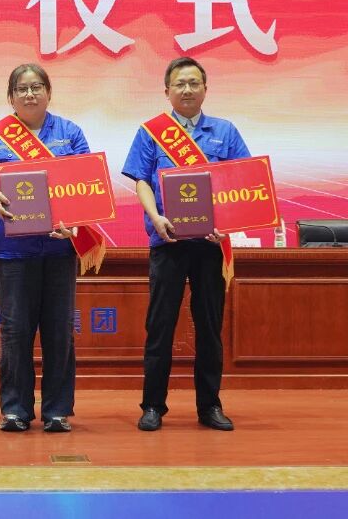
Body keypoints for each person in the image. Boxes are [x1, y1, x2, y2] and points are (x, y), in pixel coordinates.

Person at [122, 57, 249, 433]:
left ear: (205, 89)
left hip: (210, 245)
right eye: (180, 83)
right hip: (167, 241)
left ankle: (209, 405)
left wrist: (226, 223)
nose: (188, 89)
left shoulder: (225, 131)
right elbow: (141, 180)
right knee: (160, 325)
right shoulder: (151, 132)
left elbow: (242, 181)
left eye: (194, 83)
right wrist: (155, 217)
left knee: (209, 327)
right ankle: (152, 406)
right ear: (167, 91)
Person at [0, 64, 89, 433]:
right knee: (15, 332)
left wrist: (76, 221)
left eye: (36, 87)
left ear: (49, 92)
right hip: (13, 250)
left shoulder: (70, 133)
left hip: (59, 249)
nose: (30, 94)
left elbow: (87, 182)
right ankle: (15, 409)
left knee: (59, 331)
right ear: (11, 96)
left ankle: (57, 411)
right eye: (22, 88)